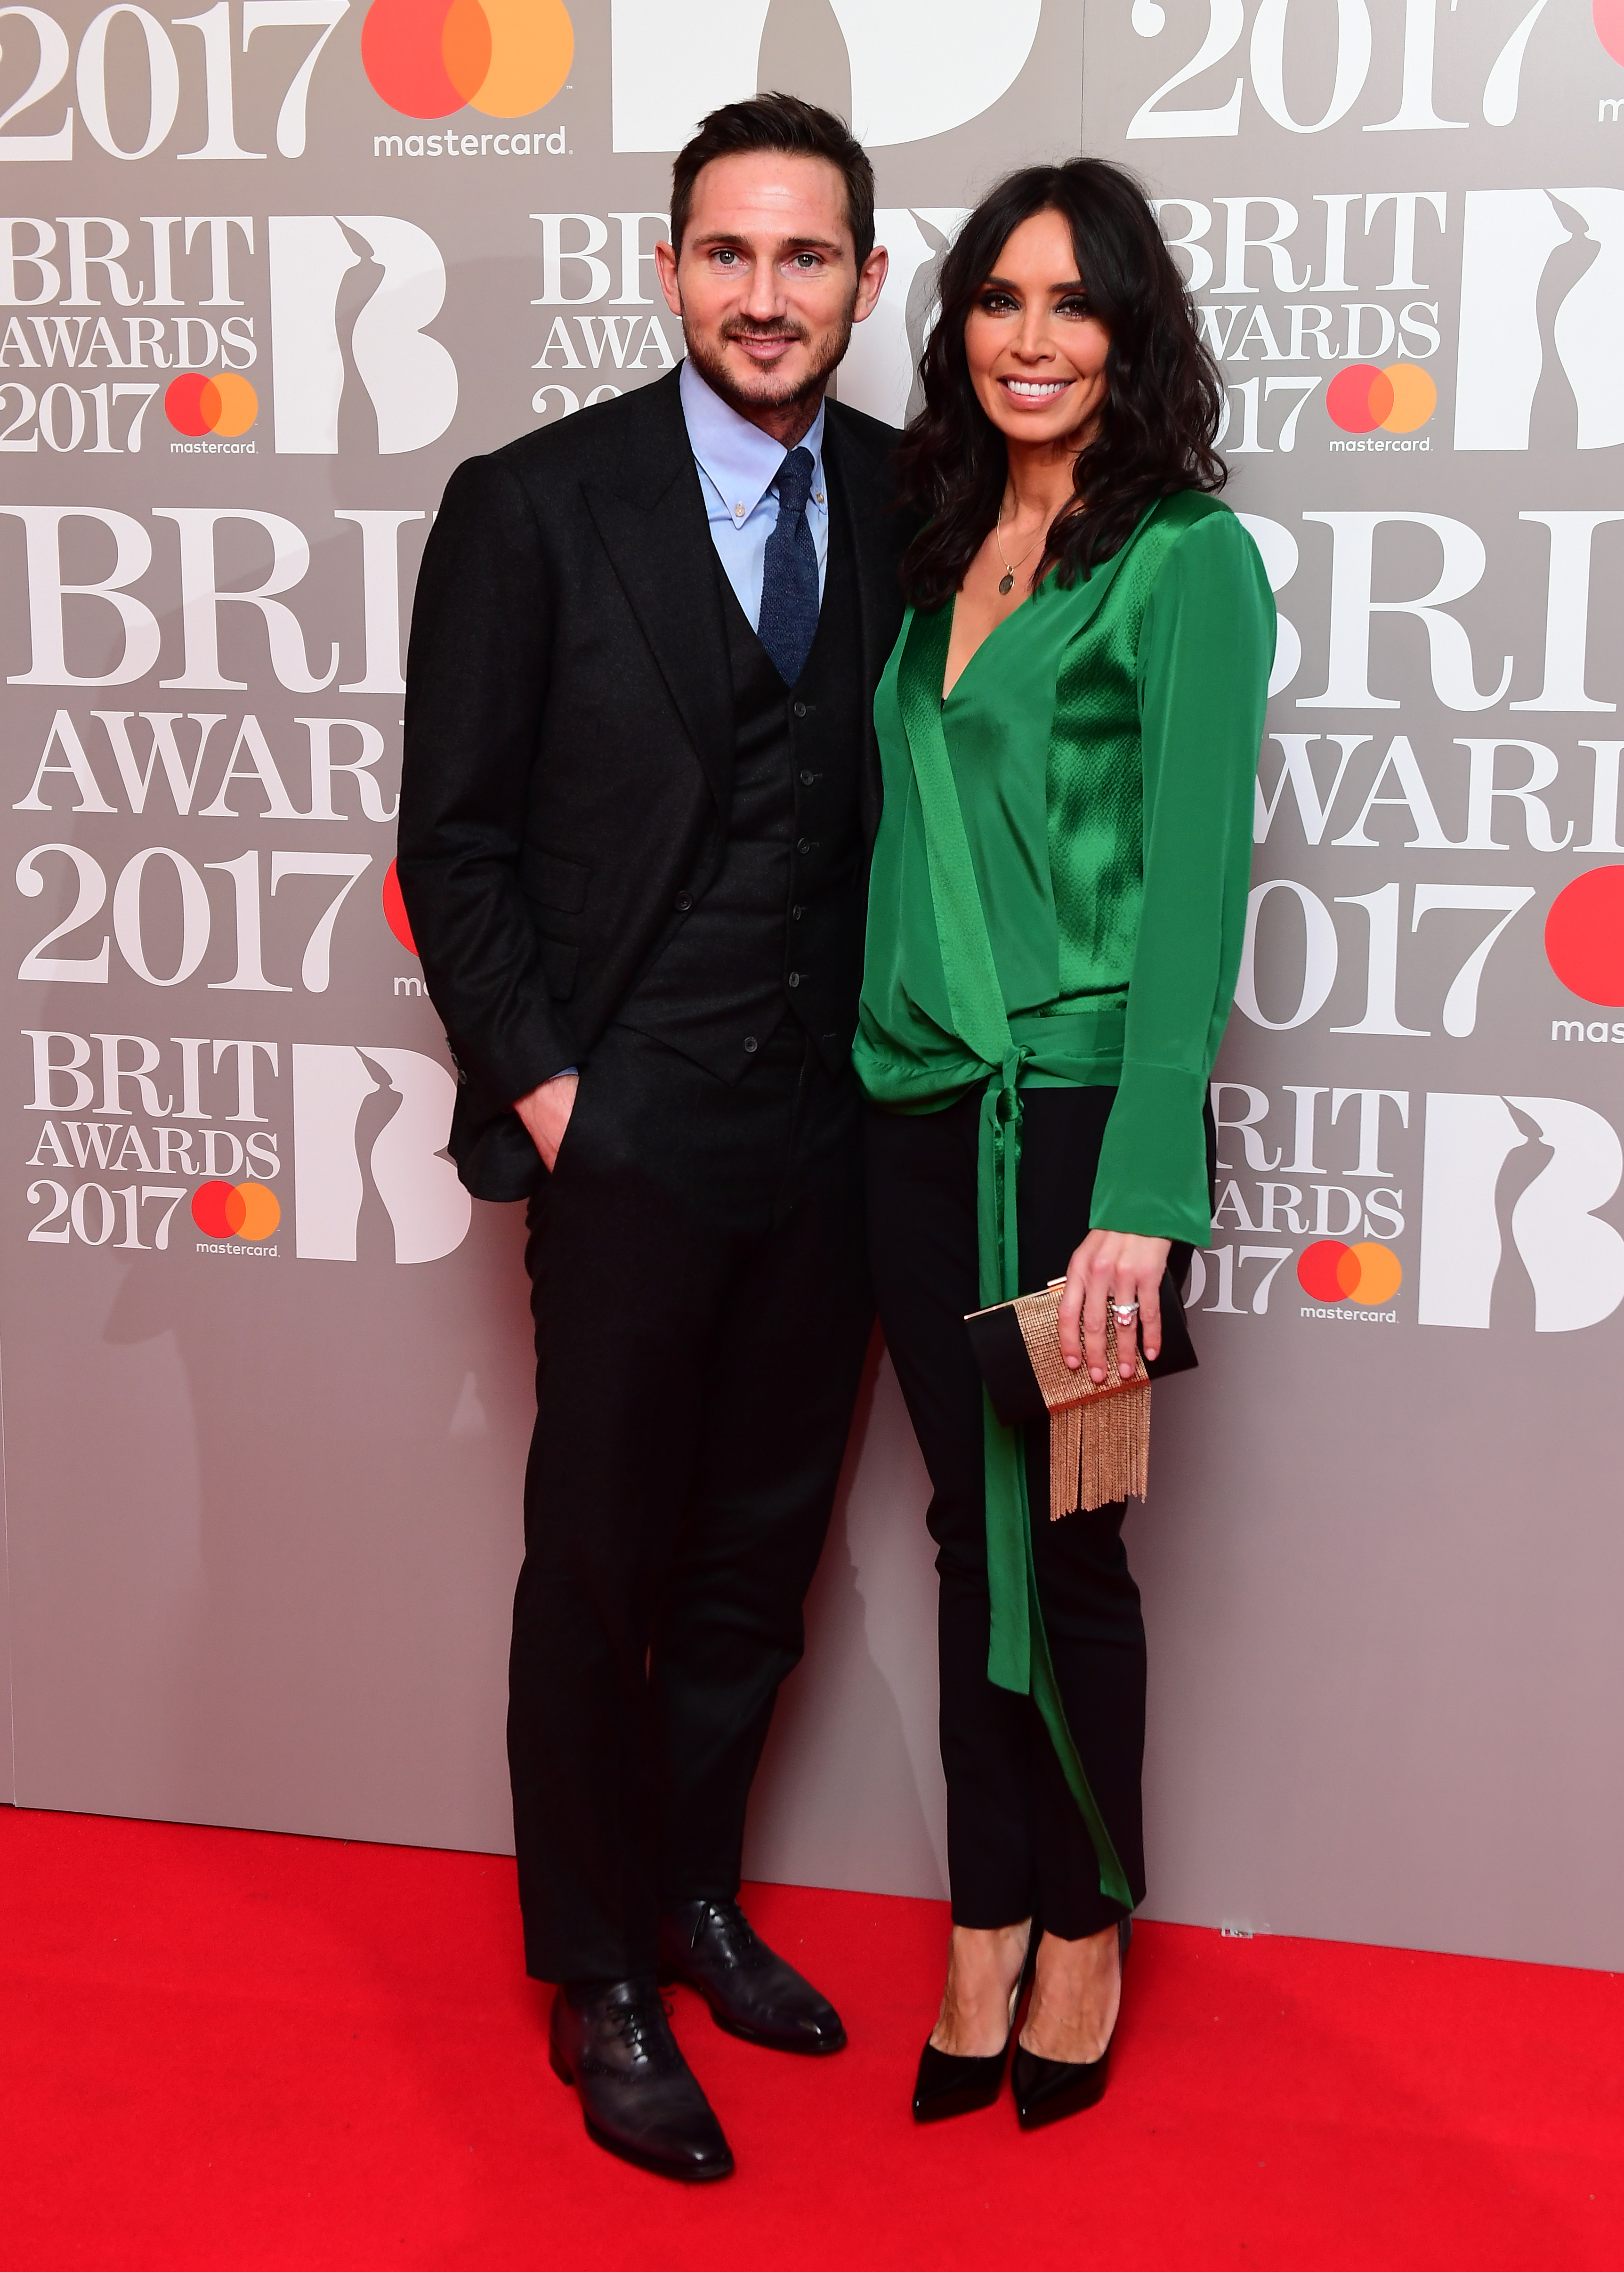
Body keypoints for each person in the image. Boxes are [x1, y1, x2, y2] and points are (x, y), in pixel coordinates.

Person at [397, 95, 905, 2183]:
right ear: (669, 264)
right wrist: (551, 1092)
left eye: (805, 259)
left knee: (753, 1563)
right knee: (597, 1560)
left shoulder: (911, 494)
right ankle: (595, 1968)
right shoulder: (530, 505)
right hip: (631, 1123)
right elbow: (454, 834)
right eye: (728, 253)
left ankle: (694, 1893)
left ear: (866, 285)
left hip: (833, 1132)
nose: (764, 295)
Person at [856, 160, 1274, 2131]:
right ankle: (979, 1913)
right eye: (996, 299)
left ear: (1131, 332)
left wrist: (1140, 1205)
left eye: (1072, 303)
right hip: (915, 1116)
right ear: (954, 328)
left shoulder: (1182, 558)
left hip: (1084, 1124)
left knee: (1072, 1543)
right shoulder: (932, 548)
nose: (1030, 338)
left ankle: (1085, 1919)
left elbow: (1192, 896)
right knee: (966, 1539)